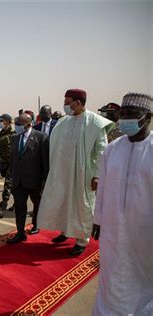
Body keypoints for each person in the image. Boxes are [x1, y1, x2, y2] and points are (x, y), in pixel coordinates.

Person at [91, 93, 152, 316]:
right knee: (112, 273)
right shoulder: (113, 148)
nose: (125, 118)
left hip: (145, 231)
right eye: (123, 114)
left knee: (144, 278)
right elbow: (104, 188)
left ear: (147, 117)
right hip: (113, 227)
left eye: (131, 114)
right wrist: (98, 220)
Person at [37, 89, 114, 255]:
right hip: (63, 173)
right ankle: (65, 232)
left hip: (83, 174)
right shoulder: (64, 121)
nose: (65, 105)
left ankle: (81, 240)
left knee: (81, 206)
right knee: (63, 202)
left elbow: (102, 150)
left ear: (78, 103)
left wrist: (98, 175)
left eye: (67, 101)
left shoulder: (95, 123)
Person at [7, 114, 49, 243]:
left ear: (28, 125)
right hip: (18, 181)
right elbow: (13, 160)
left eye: (19, 124)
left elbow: (45, 162)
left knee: (37, 204)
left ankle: (35, 224)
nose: (17, 127)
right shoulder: (14, 138)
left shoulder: (41, 138)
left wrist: (44, 181)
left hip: (34, 180)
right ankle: (20, 233)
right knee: (20, 206)